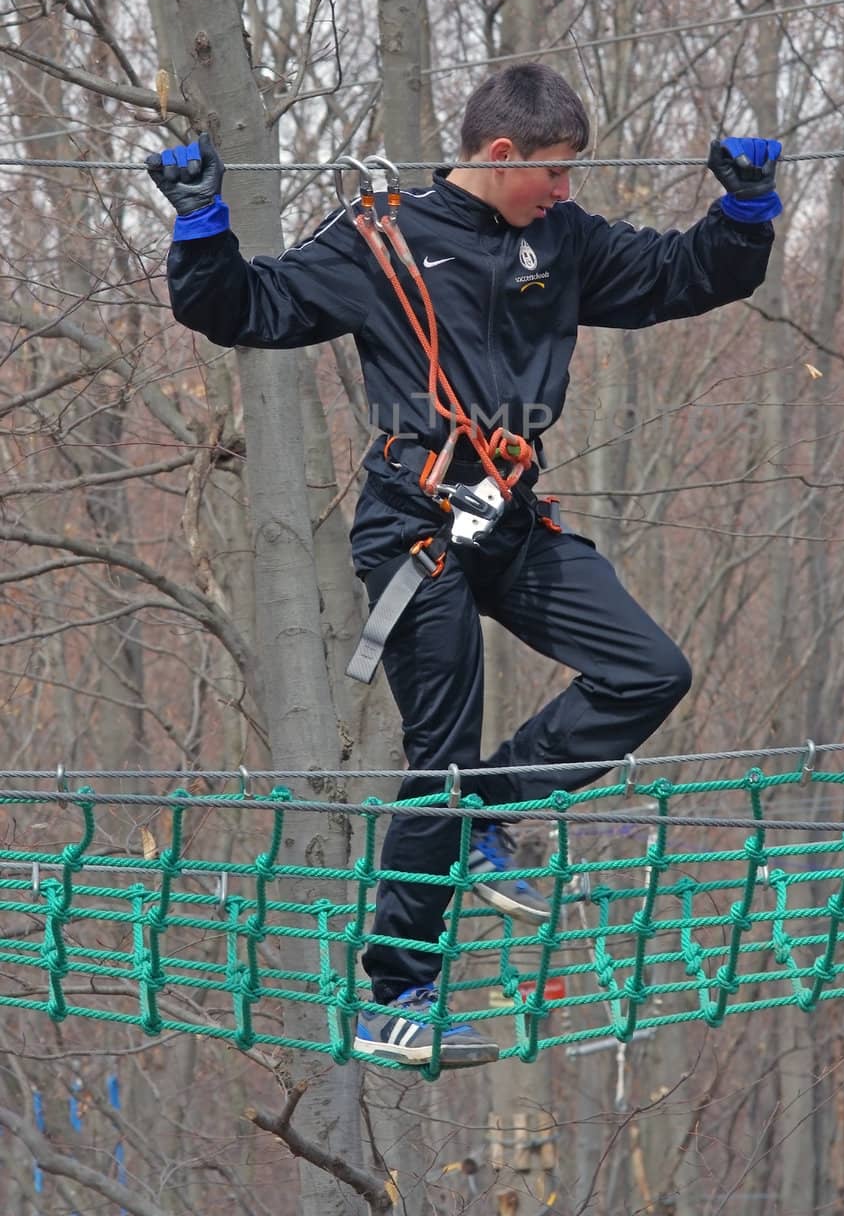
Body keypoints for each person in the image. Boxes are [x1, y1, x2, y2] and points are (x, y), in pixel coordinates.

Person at [148, 63, 780, 1068]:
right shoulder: (379, 239)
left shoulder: (563, 241)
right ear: (499, 155)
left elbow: (681, 275)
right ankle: (398, 994)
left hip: (510, 514)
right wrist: (199, 227)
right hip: (413, 522)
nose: (566, 192)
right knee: (435, 756)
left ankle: (498, 806)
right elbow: (240, 308)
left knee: (647, 668)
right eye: (554, 172)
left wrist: (743, 213)